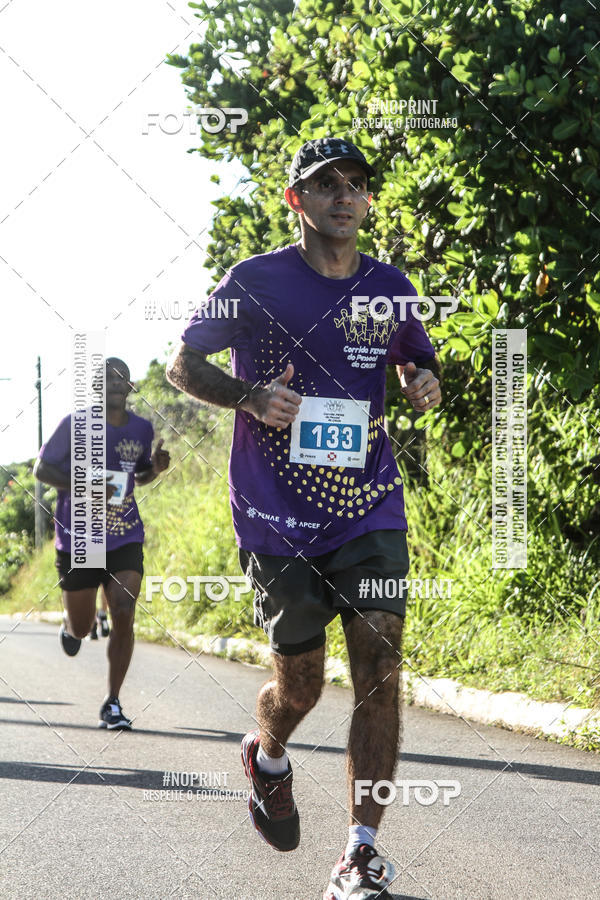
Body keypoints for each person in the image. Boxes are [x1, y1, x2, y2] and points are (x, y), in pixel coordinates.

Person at [166, 137, 441, 899]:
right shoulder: (252, 282)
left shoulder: (389, 287)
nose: (345, 197)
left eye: (357, 185)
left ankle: (360, 853)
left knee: (381, 666)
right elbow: (183, 367)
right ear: (297, 200)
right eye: (327, 186)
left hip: (367, 505)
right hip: (274, 516)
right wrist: (251, 398)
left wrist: (422, 382)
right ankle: (267, 752)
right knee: (301, 688)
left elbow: (417, 358)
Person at [34, 357, 170, 729]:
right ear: (97, 387)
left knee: (124, 609)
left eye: (121, 377)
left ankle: (112, 702)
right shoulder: (75, 425)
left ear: (130, 387)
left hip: (125, 534)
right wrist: (85, 482)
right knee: (81, 629)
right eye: (106, 378)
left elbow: (137, 476)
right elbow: (42, 470)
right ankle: (71, 625)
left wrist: (154, 469)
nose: (114, 382)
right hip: (80, 537)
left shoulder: (142, 429)